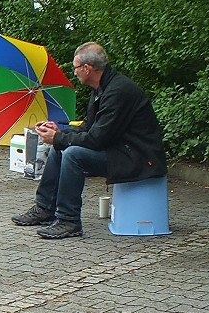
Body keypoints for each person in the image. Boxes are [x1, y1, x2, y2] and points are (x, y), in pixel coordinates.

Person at [12, 42, 168, 240]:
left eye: (75, 67)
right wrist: (60, 131)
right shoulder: (101, 88)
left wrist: (59, 138)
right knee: (59, 149)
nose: (74, 72)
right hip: (119, 148)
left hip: (138, 157)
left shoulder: (117, 92)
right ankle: (45, 208)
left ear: (87, 68)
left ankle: (69, 221)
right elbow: (89, 127)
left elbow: (97, 139)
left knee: (72, 154)